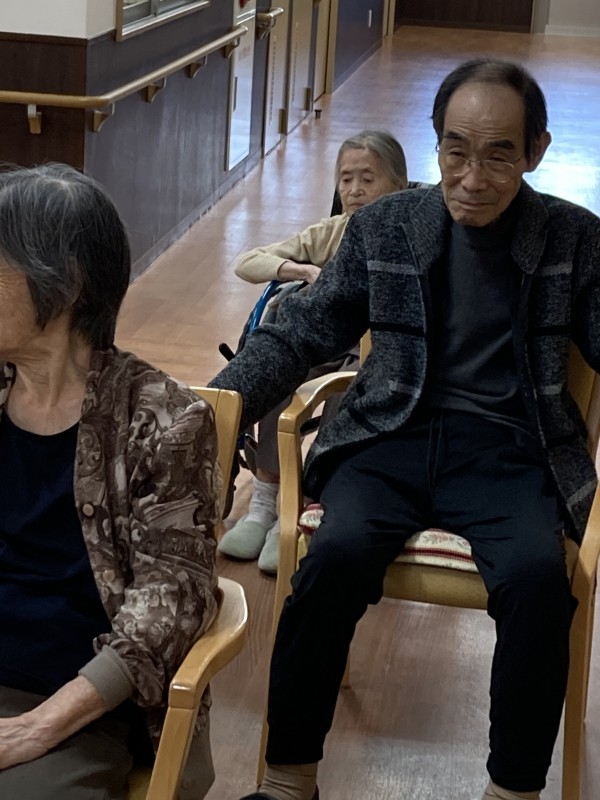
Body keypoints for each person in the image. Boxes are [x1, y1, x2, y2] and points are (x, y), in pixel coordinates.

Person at [210, 58, 600, 800]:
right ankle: (288, 780)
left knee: (537, 583)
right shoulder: (386, 226)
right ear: (436, 142)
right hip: (388, 437)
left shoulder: (573, 239)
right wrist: (218, 406)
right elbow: (302, 331)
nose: (472, 178)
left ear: (537, 151)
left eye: (499, 156)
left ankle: (512, 790)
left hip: (509, 453)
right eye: (456, 151)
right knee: (331, 561)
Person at [0, 164, 221, 800]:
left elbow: (171, 600)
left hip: (77, 706)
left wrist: (39, 727)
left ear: (66, 282)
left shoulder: (165, 420)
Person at [218, 130, 408, 573]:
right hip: (323, 341)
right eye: (346, 179)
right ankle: (264, 503)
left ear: (398, 185)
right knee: (277, 369)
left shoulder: (409, 234)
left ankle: (304, 504)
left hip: (374, 353)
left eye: (368, 179)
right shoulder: (333, 231)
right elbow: (247, 261)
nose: (354, 190)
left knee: (349, 389)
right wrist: (302, 270)